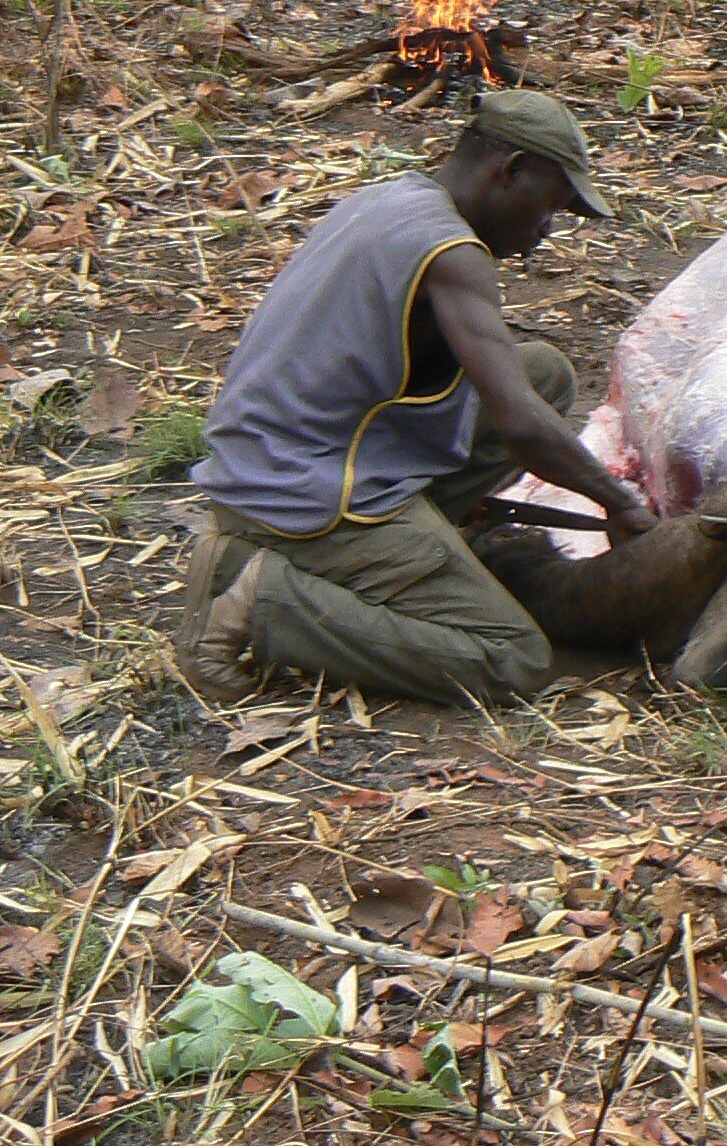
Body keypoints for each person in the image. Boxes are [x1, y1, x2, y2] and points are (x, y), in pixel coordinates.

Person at [174, 91, 656, 705]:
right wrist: (620, 501)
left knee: (545, 373)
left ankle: (413, 549)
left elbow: (518, 391)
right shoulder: (452, 254)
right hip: (307, 489)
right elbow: (522, 426)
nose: (548, 228)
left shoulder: (390, 198)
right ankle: (256, 593)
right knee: (513, 659)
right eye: (551, 204)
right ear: (509, 170)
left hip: (269, 452)